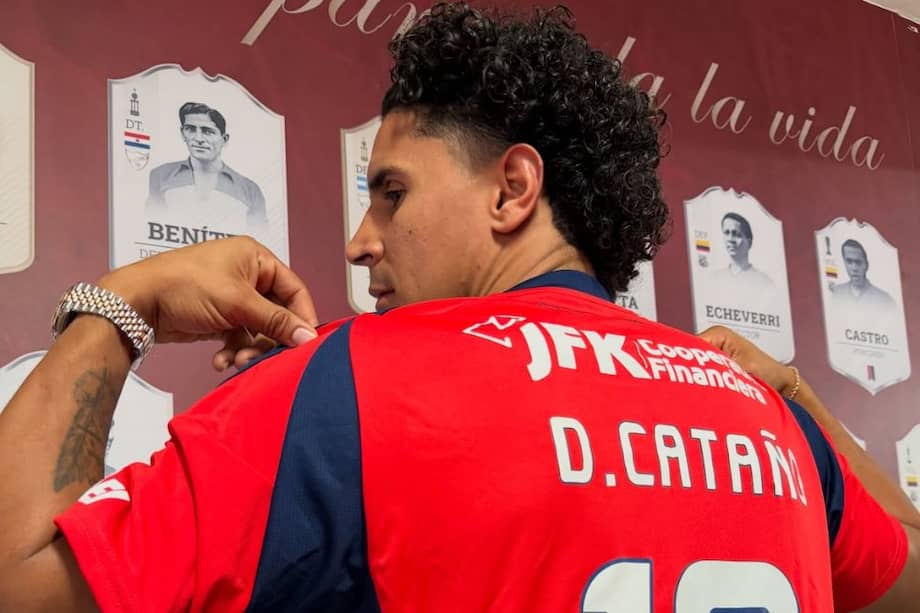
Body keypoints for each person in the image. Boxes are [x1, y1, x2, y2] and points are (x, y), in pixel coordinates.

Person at [0, 4, 916, 612]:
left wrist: (121, 301)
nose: (362, 238)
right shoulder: (766, 418)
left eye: (391, 191)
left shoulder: (351, 383)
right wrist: (795, 396)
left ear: (512, 189)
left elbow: (19, 576)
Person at [146, 102, 268, 236]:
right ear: (182, 133)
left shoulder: (249, 190)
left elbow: (259, 242)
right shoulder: (161, 175)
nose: (198, 139)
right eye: (191, 129)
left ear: (224, 139)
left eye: (208, 131)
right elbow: (151, 226)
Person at [710, 211, 775, 294]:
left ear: (749, 243)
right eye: (726, 233)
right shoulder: (715, 278)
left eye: (736, 234)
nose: (730, 239)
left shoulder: (765, 283)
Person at [831, 238, 896, 310]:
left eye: (858, 262)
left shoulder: (885, 300)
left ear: (866, 265)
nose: (854, 268)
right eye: (849, 262)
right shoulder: (836, 293)